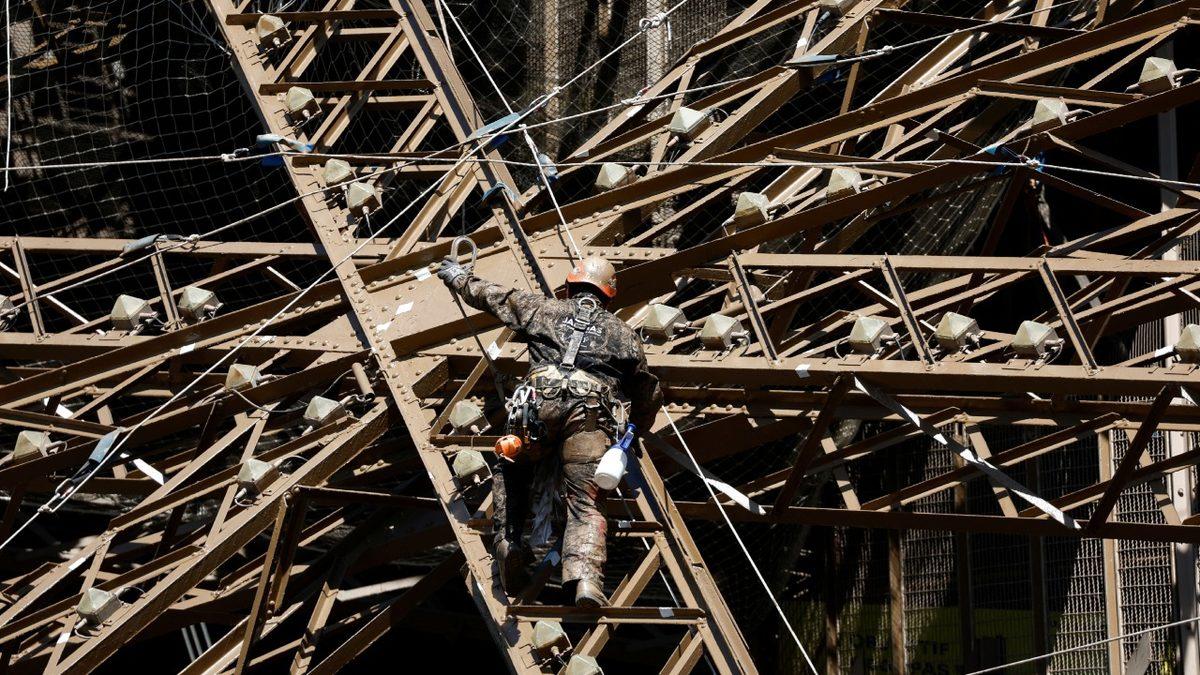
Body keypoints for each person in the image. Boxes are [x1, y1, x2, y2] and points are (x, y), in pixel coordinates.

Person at [437, 254, 662, 607]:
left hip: (536, 409)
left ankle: (508, 543)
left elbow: (493, 295)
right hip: (590, 417)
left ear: (570, 286)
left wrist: (456, 276)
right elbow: (648, 392)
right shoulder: (624, 336)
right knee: (587, 503)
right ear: (608, 296)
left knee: (512, 468)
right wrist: (637, 433)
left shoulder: (542, 309)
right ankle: (585, 582)